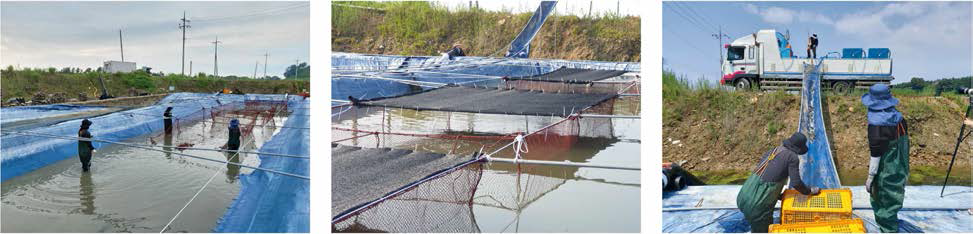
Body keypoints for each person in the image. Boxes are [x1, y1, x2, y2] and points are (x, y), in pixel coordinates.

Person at [737, 132, 821, 233]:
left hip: (743, 197)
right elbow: (796, 182)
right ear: (798, 148)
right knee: (765, 230)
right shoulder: (792, 157)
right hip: (757, 206)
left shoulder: (773, 150)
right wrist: (809, 191)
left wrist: (779, 196)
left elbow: (766, 178)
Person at [862, 83, 909, 233]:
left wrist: (870, 177)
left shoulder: (876, 126)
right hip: (900, 163)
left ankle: (888, 228)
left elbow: (875, 155)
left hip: (887, 166)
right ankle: (891, 220)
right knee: (895, 192)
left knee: (882, 196)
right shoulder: (899, 118)